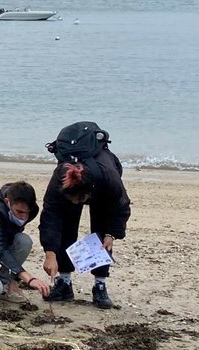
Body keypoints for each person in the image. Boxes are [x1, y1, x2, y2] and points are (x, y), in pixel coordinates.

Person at [39, 121, 132, 310]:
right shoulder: (59, 181)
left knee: (101, 235)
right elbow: (50, 216)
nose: (78, 203)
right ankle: (64, 282)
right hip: (73, 188)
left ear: (89, 192)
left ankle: (100, 285)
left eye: (80, 200)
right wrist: (50, 253)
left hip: (102, 188)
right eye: (73, 200)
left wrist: (111, 234)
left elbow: (121, 206)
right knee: (66, 227)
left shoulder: (108, 178)